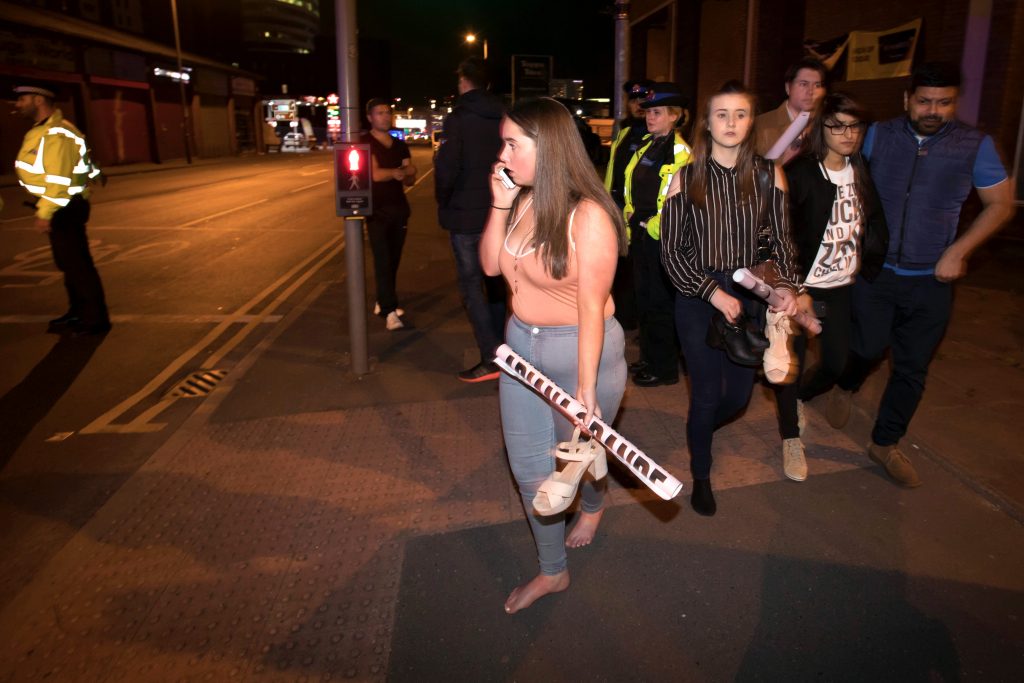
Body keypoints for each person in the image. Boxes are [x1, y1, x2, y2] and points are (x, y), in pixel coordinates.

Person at [829, 62, 1015, 487]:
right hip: (875, 272)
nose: (934, 110)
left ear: (955, 102)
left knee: (912, 368)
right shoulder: (878, 135)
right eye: (925, 101)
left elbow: (1000, 204)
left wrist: (959, 250)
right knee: (866, 346)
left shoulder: (975, 145)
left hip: (931, 279)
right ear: (907, 100)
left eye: (944, 102)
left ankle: (885, 441)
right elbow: (843, 181)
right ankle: (846, 385)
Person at [479, 98, 627, 613]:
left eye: (513, 144)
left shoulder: (589, 217)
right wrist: (499, 203)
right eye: (503, 142)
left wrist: (585, 390)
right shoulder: (520, 199)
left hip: (580, 351)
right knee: (529, 473)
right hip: (520, 349)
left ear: (549, 148)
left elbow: (591, 308)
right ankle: (552, 572)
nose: (502, 153)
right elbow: (492, 268)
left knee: (574, 461)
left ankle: (594, 504)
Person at [661, 81, 798, 516]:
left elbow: (782, 241)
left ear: (751, 121)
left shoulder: (768, 173)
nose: (731, 122)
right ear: (707, 122)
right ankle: (701, 472)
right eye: (722, 114)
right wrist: (712, 292)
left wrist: (787, 288)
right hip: (697, 295)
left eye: (740, 114)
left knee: (738, 397)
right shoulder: (686, 177)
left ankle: (698, 430)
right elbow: (671, 253)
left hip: (750, 293)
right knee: (704, 395)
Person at [770, 92, 889, 481]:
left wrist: (871, 260)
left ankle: (801, 399)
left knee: (836, 363)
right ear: (821, 129)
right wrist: (793, 285)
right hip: (801, 288)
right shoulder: (802, 172)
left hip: (840, 288)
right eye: (836, 125)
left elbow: (871, 220)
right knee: (790, 366)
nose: (847, 134)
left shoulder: (861, 169)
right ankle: (791, 438)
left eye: (854, 126)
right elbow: (780, 233)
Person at [13, 83, 110, 336]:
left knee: (77, 265)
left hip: (63, 206)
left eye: (22, 99)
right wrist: (96, 173)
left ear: (38, 99)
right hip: (62, 204)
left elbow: (58, 179)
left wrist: (45, 213)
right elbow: (82, 162)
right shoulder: (47, 130)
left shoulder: (57, 133)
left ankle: (94, 321)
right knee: (69, 264)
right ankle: (78, 312)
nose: (18, 104)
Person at [435, 58, 507, 381]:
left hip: (465, 214)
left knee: (470, 286)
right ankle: (505, 351)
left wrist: (445, 201)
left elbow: (447, 169)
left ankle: (491, 357)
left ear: (464, 81)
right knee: (496, 282)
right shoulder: (506, 115)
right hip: (499, 211)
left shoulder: (459, 118)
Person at [622, 82, 692, 387]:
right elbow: (632, 186)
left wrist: (651, 225)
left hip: (661, 239)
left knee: (661, 304)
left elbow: (680, 203)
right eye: (649, 111)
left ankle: (664, 369)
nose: (650, 117)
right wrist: (629, 214)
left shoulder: (681, 153)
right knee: (645, 301)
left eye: (658, 112)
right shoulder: (647, 145)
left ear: (674, 116)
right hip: (640, 235)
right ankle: (649, 358)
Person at [604, 79, 654, 331]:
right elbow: (613, 173)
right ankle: (623, 321)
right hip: (616, 213)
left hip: (640, 217)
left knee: (640, 275)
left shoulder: (655, 135)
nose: (638, 105)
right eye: (634, 100)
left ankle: (636, 325)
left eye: (644, 100)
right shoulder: (624, 132)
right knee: (621, 271)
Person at [362, 98, 416, 331]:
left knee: (393, 261)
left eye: (387, 112)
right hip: (376, 211)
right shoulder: (364, 143)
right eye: (379, 113)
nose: (385, 116)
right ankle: (390, 311)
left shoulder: (399, 144)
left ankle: (382, 301)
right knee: (382, 260)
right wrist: (399, 171)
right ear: (370, 117)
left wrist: (410, 172)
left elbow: (409, 177)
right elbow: (374, 174)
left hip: (399, 210)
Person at [754, 58, 827, 165]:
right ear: (788, 88)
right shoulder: (760, 125)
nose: (811, 91)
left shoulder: (827, 125)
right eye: (803, 84)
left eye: (817, 85)